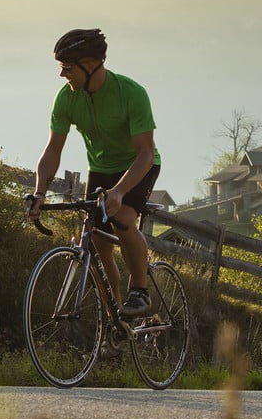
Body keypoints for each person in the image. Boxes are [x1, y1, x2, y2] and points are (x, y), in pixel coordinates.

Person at [26, 28, 161, 320]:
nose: (62, 74)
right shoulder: (66, 98)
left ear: (90, 65)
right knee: (98, 243)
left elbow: (145, 153)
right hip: (100, 168)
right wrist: (39, 192)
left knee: (123, 218)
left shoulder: (131, 93)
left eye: (68, 67)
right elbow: (52, 150)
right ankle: (117, 318)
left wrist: (120, 191)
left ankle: (140, 290)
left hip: (137, 164)